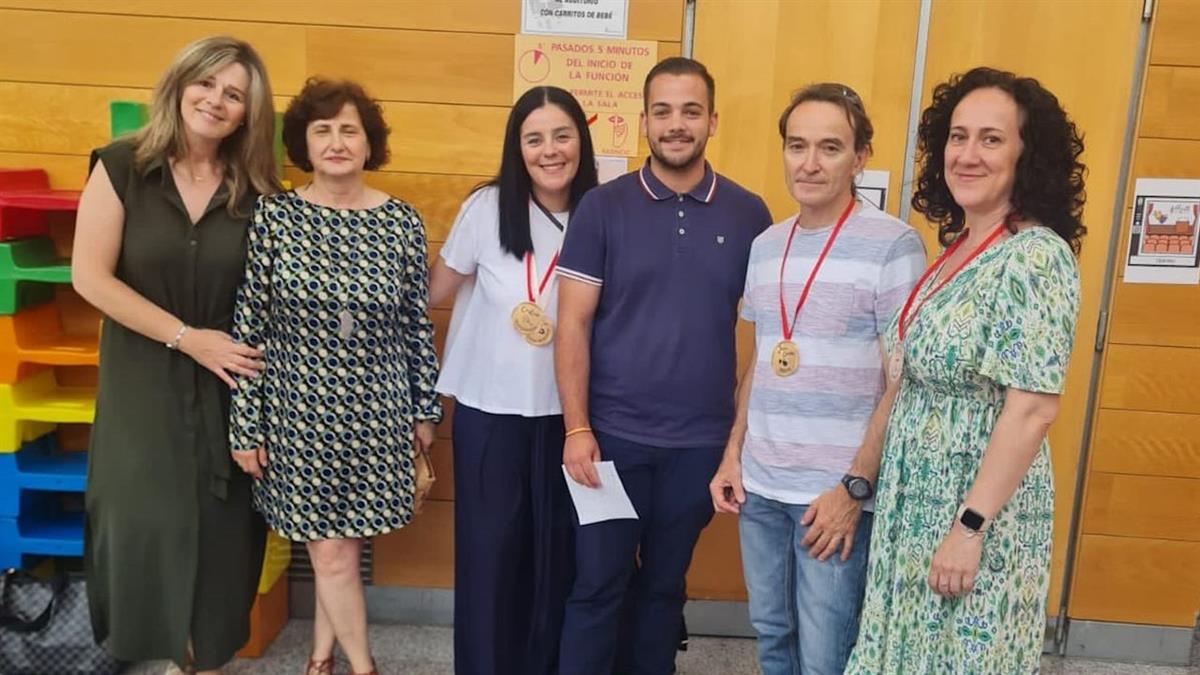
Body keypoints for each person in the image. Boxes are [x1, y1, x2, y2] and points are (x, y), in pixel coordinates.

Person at [845, 66, 1085, 674]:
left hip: (975, 516)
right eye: (958, 136)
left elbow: (1032, 410)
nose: (968, 154)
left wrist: (970, 527)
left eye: (991, 138)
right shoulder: (960, 246)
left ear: (1028, 157)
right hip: (915, 508)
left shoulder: (1035, 258)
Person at [554, 56, 773, 675]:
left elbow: (766, 332)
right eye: (663, 111)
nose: (677, 124)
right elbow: (570, 325)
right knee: (597, 585)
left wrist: (736, 443)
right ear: (643, 122)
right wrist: (577, 428)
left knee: (662, 590)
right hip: (611, 440)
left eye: (691, 111)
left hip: (699, 446)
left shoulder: (749, 214)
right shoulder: (602, 208)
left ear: (712, 121)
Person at [73, 36, 277, 674]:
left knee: (224, 547)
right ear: (180, 84)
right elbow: (92, 278)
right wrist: (187, 338)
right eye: (206, 84)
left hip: (229, 393)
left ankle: (207, 663)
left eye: (234, 94)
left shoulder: (260, 191)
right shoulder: (121, 166)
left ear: (248, 113)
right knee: (144, 534)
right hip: (144, 385)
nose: (216, 101)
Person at [227, 78, 442, 675]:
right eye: (322, 130)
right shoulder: (275, 217)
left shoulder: (400, 221)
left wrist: (425, 410)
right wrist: (245, 425)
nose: (337, 141)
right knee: (332, 552)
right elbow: (249, 329)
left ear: (370, 142)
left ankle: (320, 658)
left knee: (340, 547)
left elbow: (414, 327)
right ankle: (364, 667)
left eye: (350, 129)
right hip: (297, 416)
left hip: (378, 412)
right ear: (303, 142)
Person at [709, 83, 925, 675]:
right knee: (773, 637)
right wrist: (734, 455)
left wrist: (854, 489)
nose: (809, 163)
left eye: (829, 147)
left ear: (860, 158)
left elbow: (902, 380)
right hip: (762, 488)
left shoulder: (893, 245)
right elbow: (762, 360)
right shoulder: (765, 245)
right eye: (797, 145)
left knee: (827, 654)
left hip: (830, 493)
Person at [427, 85, 598, 675]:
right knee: (490, 560)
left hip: (571, 418)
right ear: (516, 147)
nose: (550, 150)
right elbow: (427, 296)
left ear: (582, 140)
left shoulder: (603, 212)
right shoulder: (487, 207)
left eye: (562, 135)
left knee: (557, 562)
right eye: (534, 139)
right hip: (489, 414)